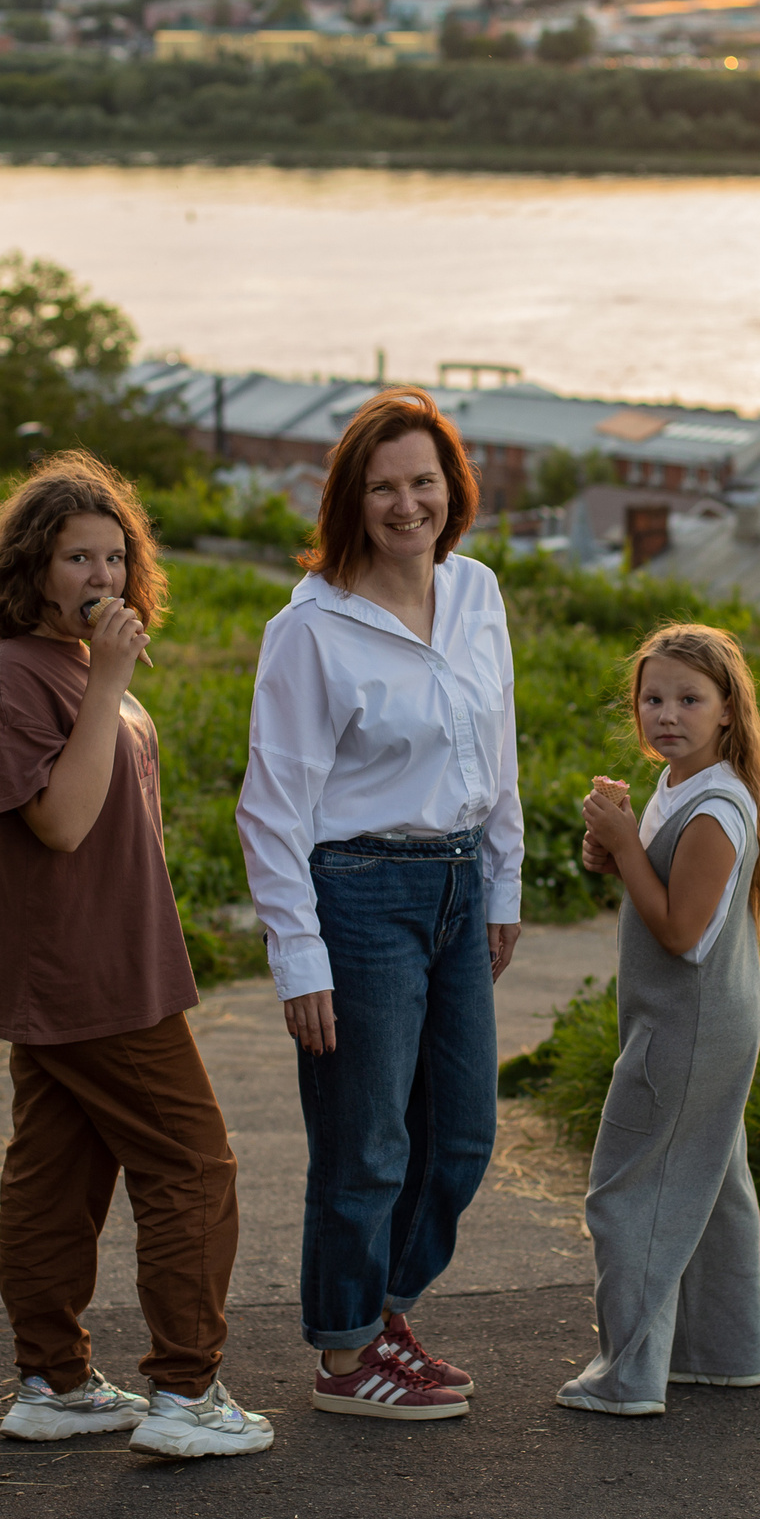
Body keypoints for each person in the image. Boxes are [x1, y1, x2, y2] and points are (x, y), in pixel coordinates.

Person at [0, 450, 272, 1459]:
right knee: (193, 1165)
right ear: (32, 571)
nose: (101, 579)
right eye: (75, 559)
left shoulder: (79, 671)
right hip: (83, 972)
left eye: (114, 557)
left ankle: (53, 1381)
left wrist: (107, 681)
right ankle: (185, 1392)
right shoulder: (15, 672)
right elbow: (59, 822)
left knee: (59, 1167)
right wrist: (112, 684)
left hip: (103, 961)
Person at [237, 389, 524, 1421]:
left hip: (456, 887)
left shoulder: (477, 593)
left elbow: (498, 748)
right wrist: (298, 957)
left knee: (461, 1136)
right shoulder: (309, 630)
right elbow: (271, 806)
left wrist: (502, 879)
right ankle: (347, 1357)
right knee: (364, 1145)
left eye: (423, 482)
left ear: (452, 489)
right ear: (350, 502)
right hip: (357, 898)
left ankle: (383, 1310)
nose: (407, 505)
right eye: (384, 487)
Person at [560, 622, 760, 1416]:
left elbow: (681, 931)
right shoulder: (679, 785)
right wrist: (614, 847)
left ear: (727, 710)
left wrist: (627, 846)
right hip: (709, 1021)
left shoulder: (716, 807)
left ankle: (628, 1377)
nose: (668, 714)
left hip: (687, 1028)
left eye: (690, 699)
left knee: (628, 1191)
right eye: (653, 697)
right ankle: (720, 1354)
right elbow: (653, 880)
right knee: (713, 1184)